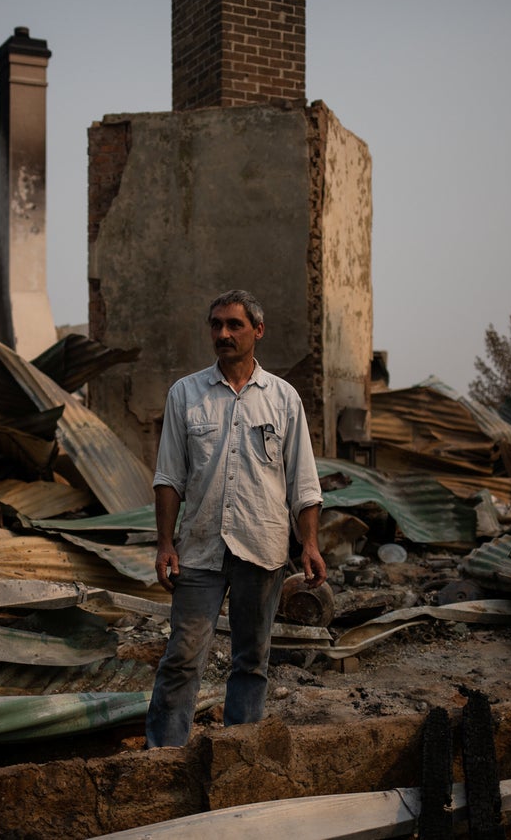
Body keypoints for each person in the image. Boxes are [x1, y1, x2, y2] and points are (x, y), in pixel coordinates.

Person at [145, 289, 326, 748]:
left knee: (252, 661)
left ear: (257, 331)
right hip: (200, 549)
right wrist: (165, 544)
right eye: (216, 325)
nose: (223, 333)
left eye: (234, 325)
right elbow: (168, 477)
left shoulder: (284, 400)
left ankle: (238, 758)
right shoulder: (185, 394)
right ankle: (163, 759)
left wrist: (309, 545)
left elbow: (303, 483)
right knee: (183, 658)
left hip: (261, 546)